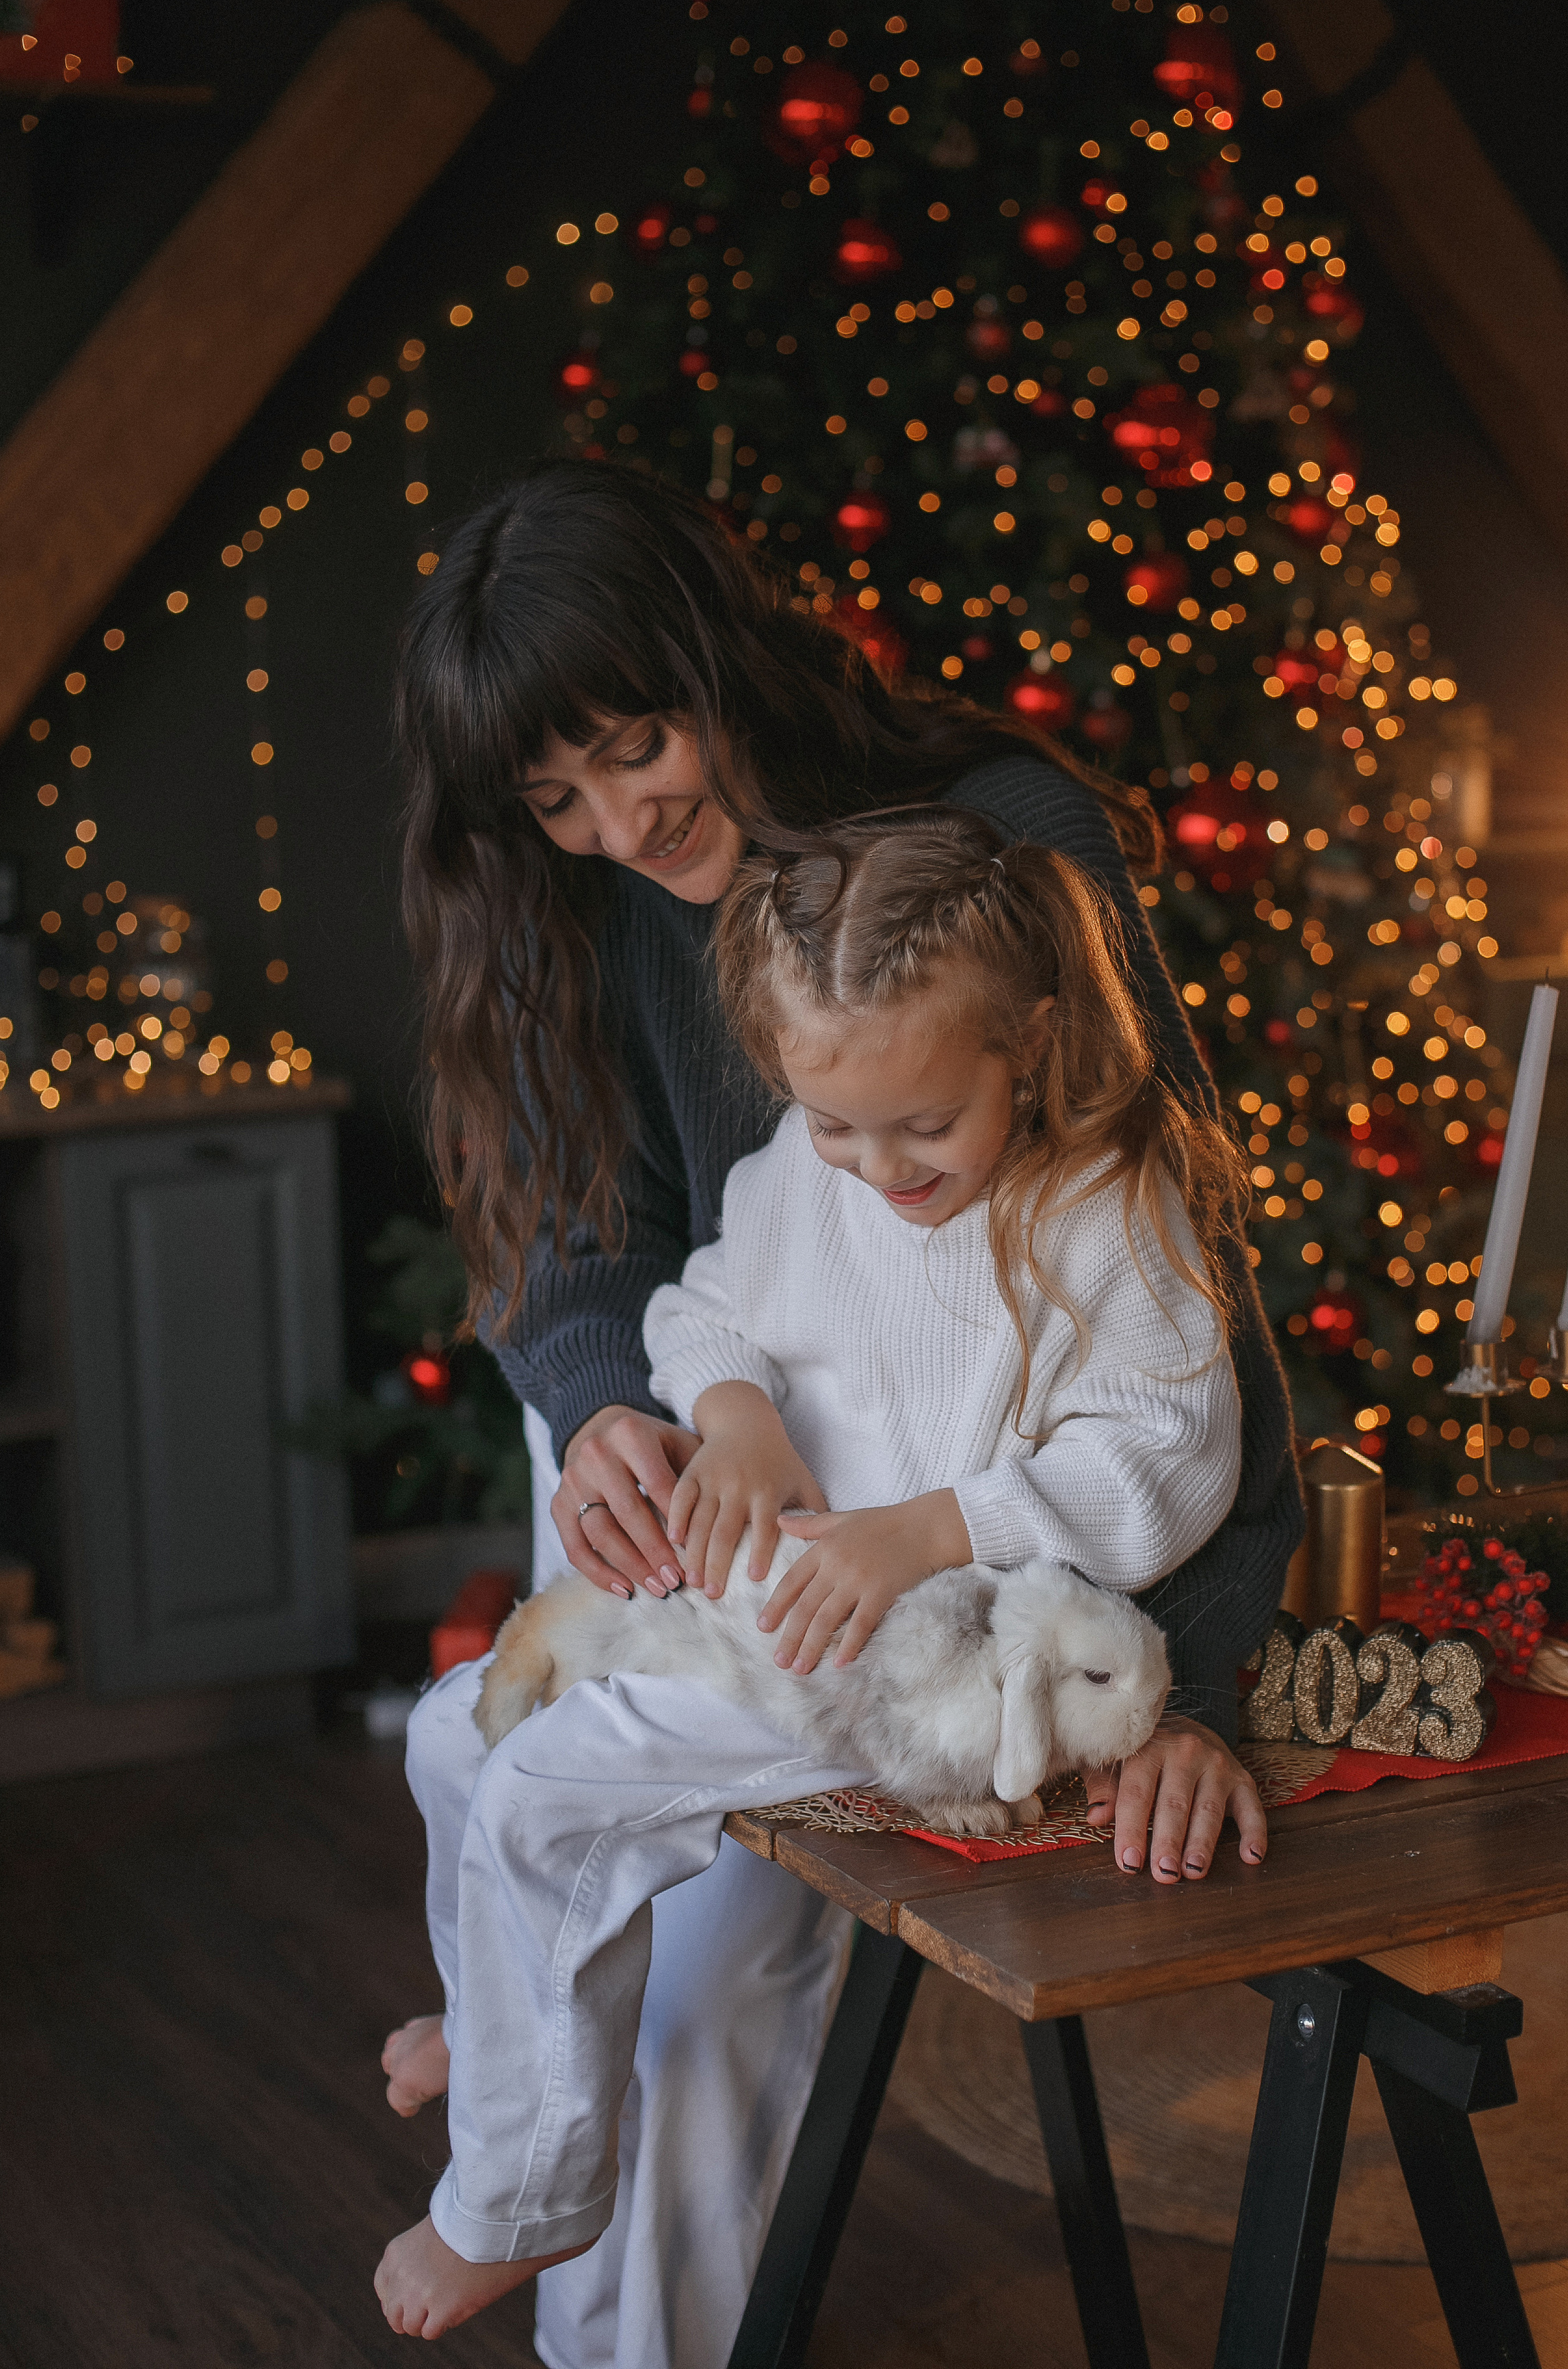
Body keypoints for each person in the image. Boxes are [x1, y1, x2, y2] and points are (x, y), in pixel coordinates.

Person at [382, 461, 1302, 2366]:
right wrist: (639, 1400)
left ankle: (586, 2290)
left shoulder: (1006, 860)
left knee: (703, 1993)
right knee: (479, 1758)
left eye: (637, 747)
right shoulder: (667, 995)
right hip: (729, 1474)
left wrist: (1189, 1691)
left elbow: (1191, 1354)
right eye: (554, 799)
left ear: (717, 661)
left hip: (932, 1559)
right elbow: (623, 1239)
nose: (618, 824)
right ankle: (500, 2018)